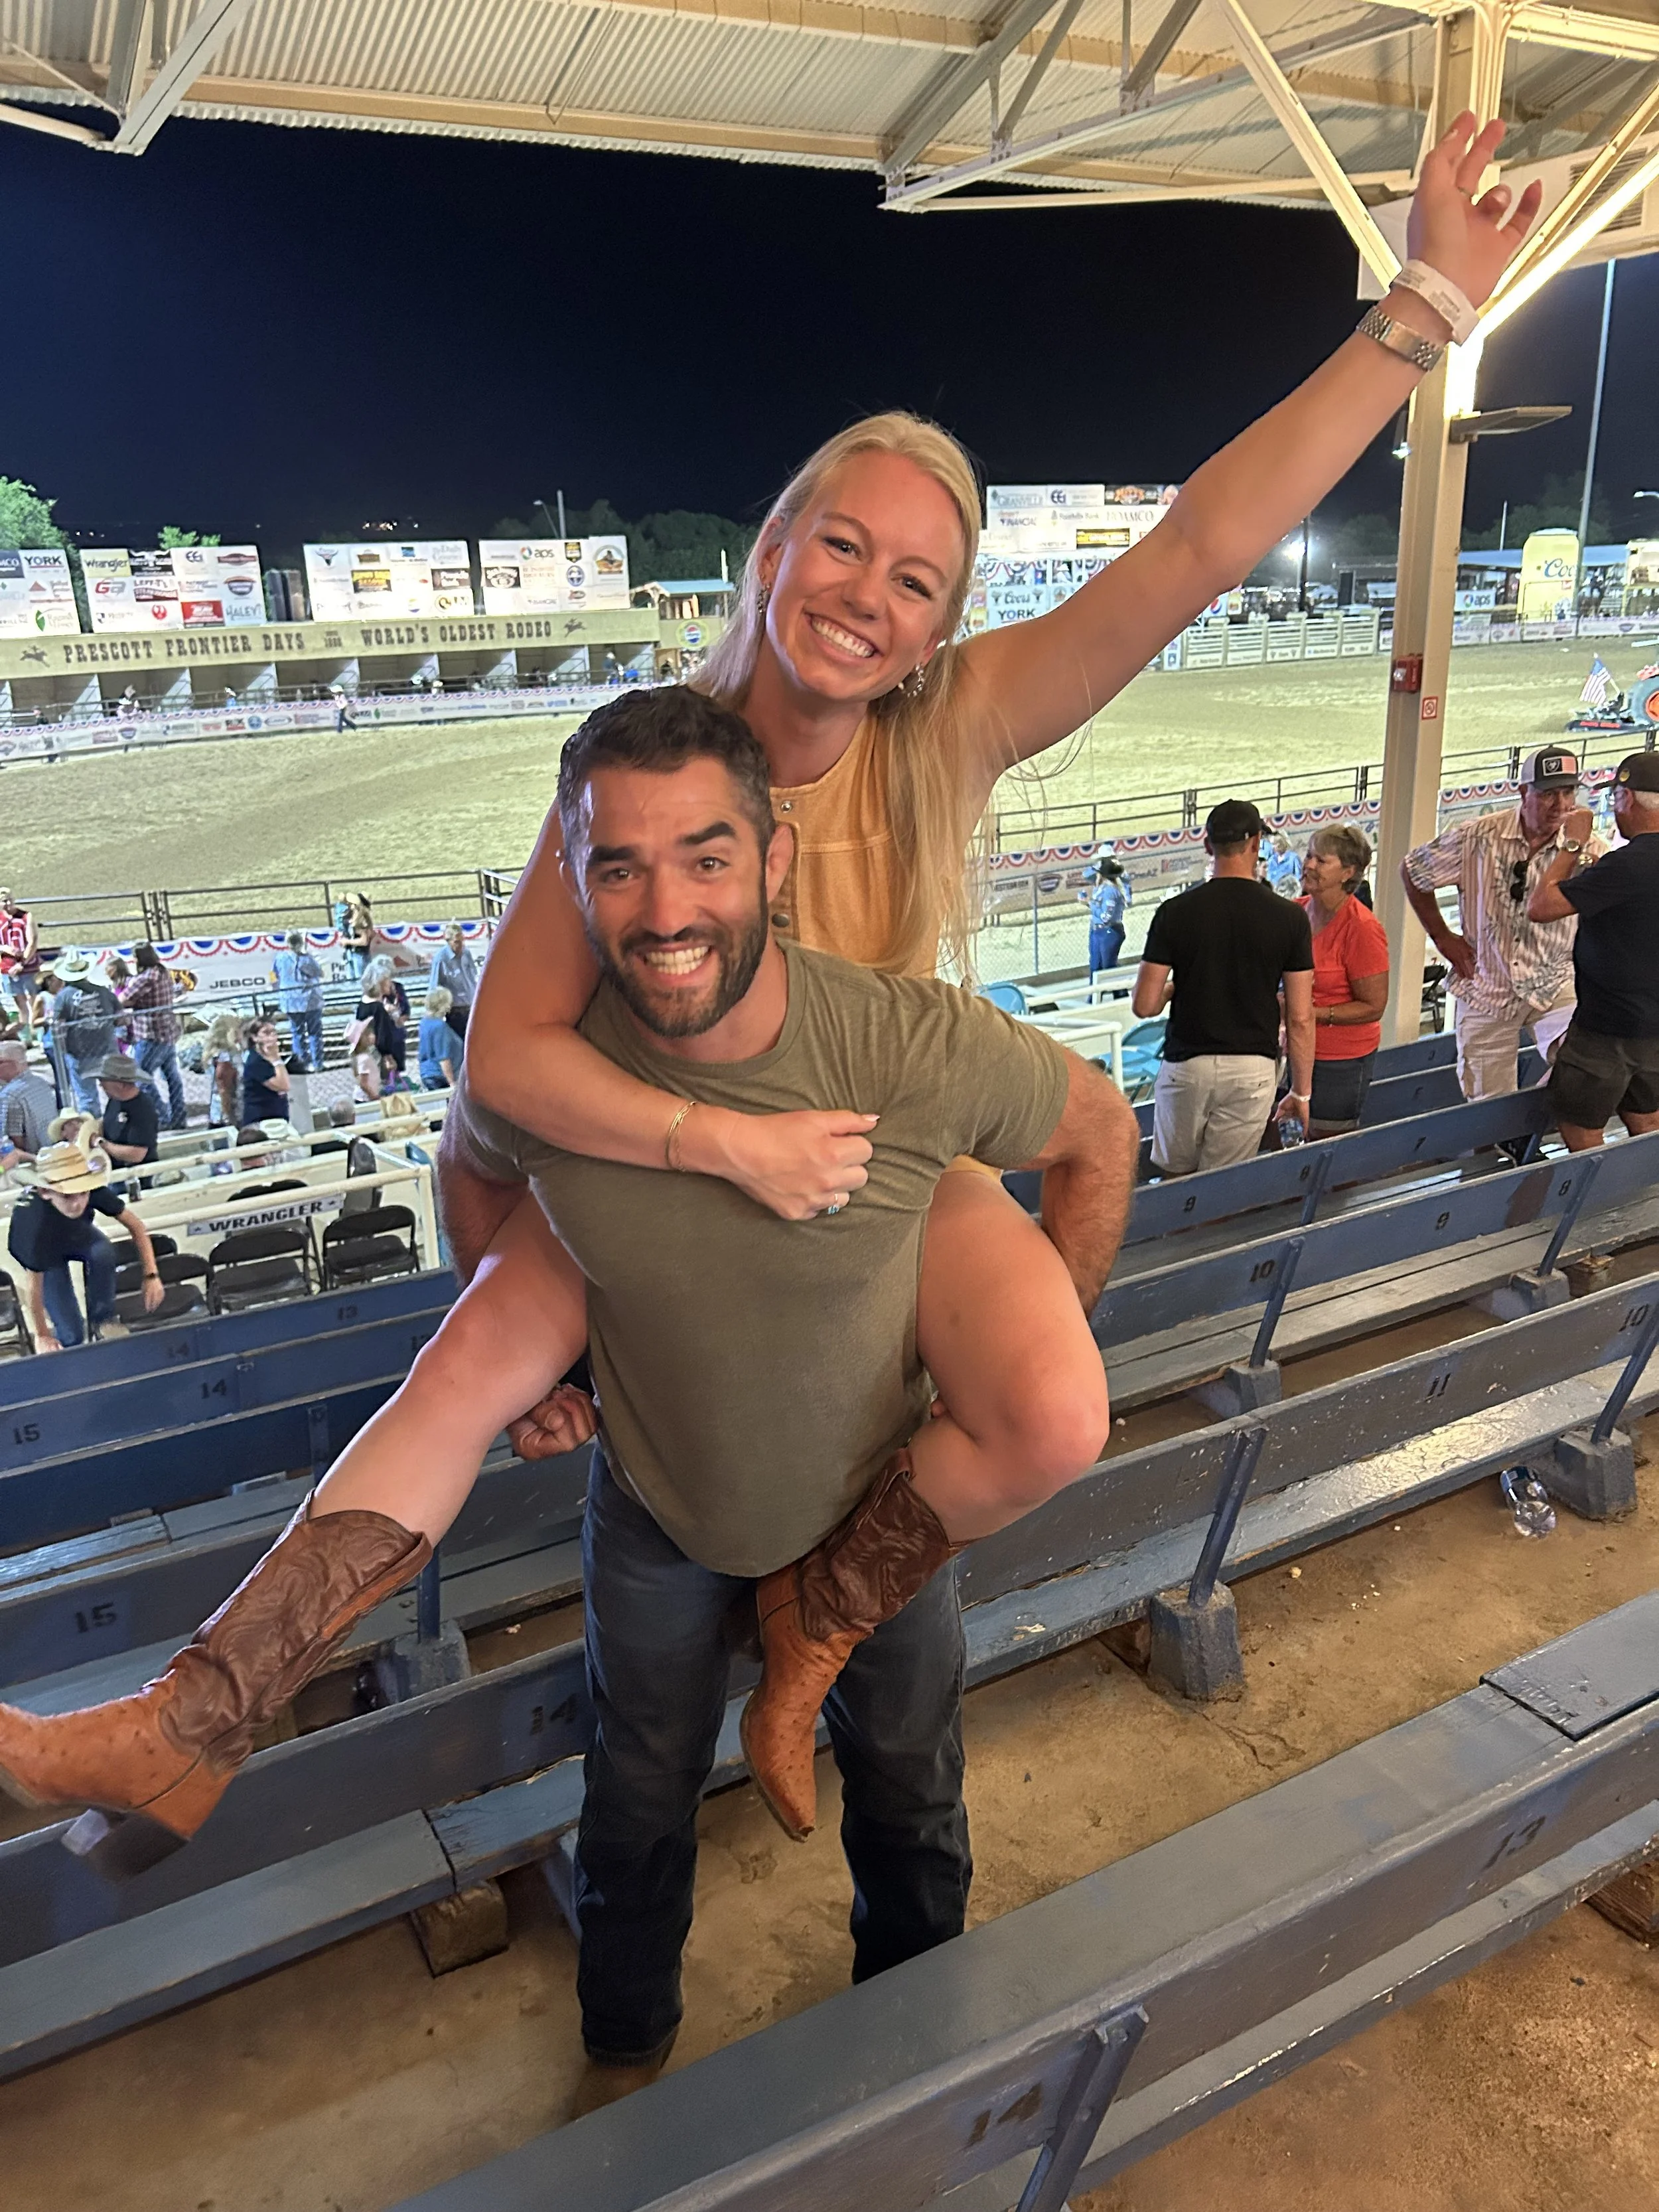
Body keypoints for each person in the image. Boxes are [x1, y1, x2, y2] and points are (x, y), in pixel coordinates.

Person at [0, 696, 1137, 2114]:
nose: (664, 909)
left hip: (876, 1504)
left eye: (706, 858)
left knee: (908, 1787)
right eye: (619, 866)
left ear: (775, 862)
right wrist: (553, 1363)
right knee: (634, 1796)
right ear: (575, 880)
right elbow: (463, 1255)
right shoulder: (556, 1086)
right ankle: (606, 2039)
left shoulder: (901, 1046)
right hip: (659, 1513)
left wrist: (1030, 1337)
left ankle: (913, 2038)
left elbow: (1098, 1131)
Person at [459, 116, 1537, 1501]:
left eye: (913, 582)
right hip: (684, 1183)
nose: (864, 596)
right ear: (772, 547)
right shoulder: (655, 764)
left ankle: (838, 1615)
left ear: (940, 629)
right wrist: (677, 1164)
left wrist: (1421, 309)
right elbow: (501, 1069)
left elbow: (1199, 544)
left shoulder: (951, 723)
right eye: (841, 545)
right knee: (651, 1558)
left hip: (881, 1162)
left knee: (1047, 1413)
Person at [1402, 747, 1602, 1100]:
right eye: (1548, 793)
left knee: (1588, 1064)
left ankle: (1543, 1132)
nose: (1561, 804)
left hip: (1556, 982)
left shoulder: (1586, 848)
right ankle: (1497, 1151)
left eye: (1568, 792)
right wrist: (1442, 936)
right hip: (1486, 985)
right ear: (1524, 792)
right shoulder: (1477, 836)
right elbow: (1414, 870)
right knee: (1485, 1104)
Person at [1131, 800, 1316, 1173]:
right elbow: (1300, 1017)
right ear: (1256, 844)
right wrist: (1301, 1092)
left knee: (1174, 1178)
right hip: (1252, 1066)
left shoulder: (1174, 912)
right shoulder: (1290, 918)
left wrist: (1174, 988)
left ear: (1207, 846)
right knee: (1222, 1185)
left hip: (1187, 1063)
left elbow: (1145, 1005)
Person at [1528, 753, 1659, 1152]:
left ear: (1627, 800)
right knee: (1649, 1118)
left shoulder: (1630, 864)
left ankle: (1601, 1212)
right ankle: (1646, 1203)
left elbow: (1542, 907)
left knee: (1579, 1127)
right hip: (1655, 1025)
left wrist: (1570, 845)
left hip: (1606, 1026)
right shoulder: (1624, 868)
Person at [5, 1124, 165, 1349]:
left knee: (103, 1251)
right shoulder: (34, 1221)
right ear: (46, 1192)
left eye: (82, 1193)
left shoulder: (91, 1188)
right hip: (45, 1254)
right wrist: (42, 1334)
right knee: (71, 1334)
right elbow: (35, 1284)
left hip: (76, 1234)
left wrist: (151, 1276)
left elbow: (136, 1226)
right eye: (68, 1196)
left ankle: (102, 1321)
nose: (77, 1202)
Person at [1298, 825, 1390, 1136]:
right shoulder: (1296, 914)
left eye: (1320, 861)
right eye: (1309, 856)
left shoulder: (1362, 928)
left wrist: (1313, 1013)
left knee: (1327, 1145)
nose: (1309, 865)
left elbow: (1374, 1006)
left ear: (1347, 872)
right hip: (1295, 1051)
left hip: (1340, 1061)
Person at [119, 942, 187, 1132]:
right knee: (173, 1078)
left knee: (142, 1078)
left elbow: (122, 1000)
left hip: (150, 1035)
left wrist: (131, 999)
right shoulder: (162, 972)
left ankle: (163, 1117)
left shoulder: (145, 978)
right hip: (168, 1032)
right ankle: (179, 1116)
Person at [50, 954, 119, 1114]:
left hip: (79, 1053)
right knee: (117, 1091)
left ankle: (93, 1131)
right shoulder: (103, 991)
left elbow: (58, 1026)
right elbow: (121, 1017)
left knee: (87, 1098)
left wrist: (64, 1050)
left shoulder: (63, 997)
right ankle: (119, 1124)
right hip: (107, 1049)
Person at [272, 931, 325, 1071]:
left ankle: (302, 1064)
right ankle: (318, 1064)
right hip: (310, 1001)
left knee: (297, 1033)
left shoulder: (280, 958)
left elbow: (273, 975)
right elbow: (319, 973)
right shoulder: (306, 959)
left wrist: (277, 989)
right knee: (315, 1033)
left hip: (290, 1001)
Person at [98, 1053, 161, 1169]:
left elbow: (137, 1154)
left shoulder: (143, 1108)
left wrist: (103, 1145)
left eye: (104, 1080)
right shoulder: (115, 1100)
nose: (101, 1085)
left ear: (120, 1084)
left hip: (136, 1174)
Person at [0, 1037, 55, 1159]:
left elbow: (15, 1142)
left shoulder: (9, 1096)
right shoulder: (42, 1083)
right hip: (53, 1150)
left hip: (32, 1160)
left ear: (13, 1064)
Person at [0, 887, 40, 1042]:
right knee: (19, 1002)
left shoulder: (25, 917)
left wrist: (22, 963)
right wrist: (4, 948)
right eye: (4, 901)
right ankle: (26, 1034)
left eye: (11, 900)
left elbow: (32, 942)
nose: (9, 904)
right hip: (8, 967)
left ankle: (35, 1028)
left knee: (33, 998)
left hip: (27, 966)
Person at [428, 923, 478, 1042]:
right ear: (448, 941)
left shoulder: (466, 953)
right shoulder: (441, 959)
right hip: (456, 1011)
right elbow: (434, 988)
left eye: (462, 941)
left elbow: (473, 976)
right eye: (456, 942)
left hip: (472, 1007)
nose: (460, 945)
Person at [1080, 858, 1129, 977]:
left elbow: (1106, 917)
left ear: (1103, 875)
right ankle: (1094, 995)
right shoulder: (1101, 888)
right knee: (1095, 967)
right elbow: (1086, 874)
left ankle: (1120, 992)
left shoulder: (1111, 891)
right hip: (1097, 930)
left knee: (1108, 968)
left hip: (1109, 932)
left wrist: (1089, 903)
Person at [240, 1017, 291, 1125]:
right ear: (254, 1037)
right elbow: (283, 1085)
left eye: (274, 1032)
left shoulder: (269, 1056)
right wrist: (276, 1060)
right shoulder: (256, 1061)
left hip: (277, 1113)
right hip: (261, 1118)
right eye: (266, 1033)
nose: (272, 1037)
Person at [202, 1011, 244, 1128]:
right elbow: (224, 1090)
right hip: (229, 1117)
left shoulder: (213, 1054)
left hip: (216, 1113)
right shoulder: (226, 1057)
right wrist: (229, 1117)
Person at [418, 988, 462, 1088]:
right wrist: (452, 1083)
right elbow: (443, 1057)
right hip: (440, 1076)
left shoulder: (424, 1022)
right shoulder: (440, 1026)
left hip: (427, 1073)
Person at [1265, 832, 1302, 898]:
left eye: (1275, 844)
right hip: (1274, 895)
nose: (1273, 847)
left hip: (1290, 895)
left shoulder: (1293, 858)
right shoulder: (1271, 860)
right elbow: (1268, 877)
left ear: (1281, 844)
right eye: (1272, 844)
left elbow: (1299, 877)